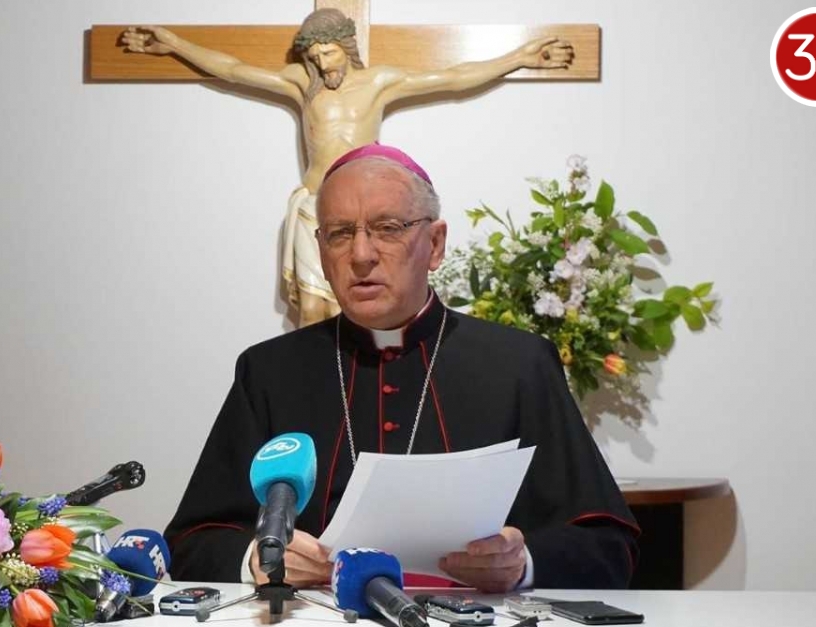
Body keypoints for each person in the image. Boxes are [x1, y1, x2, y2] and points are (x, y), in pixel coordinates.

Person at [163, 144, 639, 592]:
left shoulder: (520, 365)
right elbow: (192, 542)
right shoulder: (269, 371)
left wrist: (521, 563)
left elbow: (607, 544)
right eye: (340, 233)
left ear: (435, 244)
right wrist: (260, 559)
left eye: (388, 228)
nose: (361, 255)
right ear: (321, 252)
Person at [122, 10, 574, 327]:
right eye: (315, 56)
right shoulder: (303, 83)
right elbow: (235, 69)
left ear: (346, 47)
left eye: (329, 53)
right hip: (314, 208)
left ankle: (355, 393)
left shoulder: (377, 83)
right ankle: (310, 393)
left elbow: (452, 77)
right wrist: (173, 44)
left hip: (363, 212)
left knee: (354, 308)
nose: (323, 64)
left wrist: (518, 58)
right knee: (313, 311)